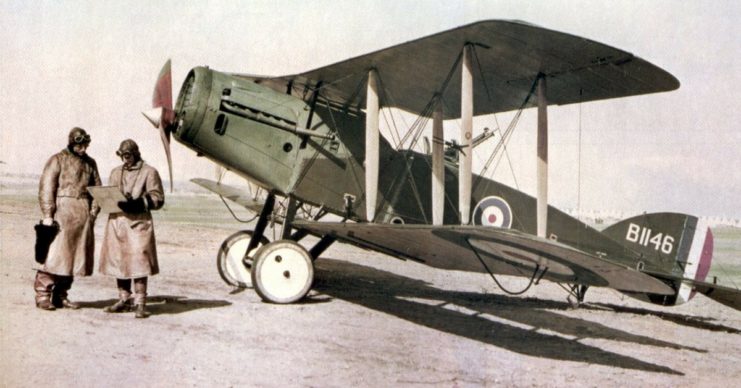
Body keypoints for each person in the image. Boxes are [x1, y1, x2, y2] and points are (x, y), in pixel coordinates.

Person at [34, 127, 101, 310]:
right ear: (72, 143)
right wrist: (48, 215)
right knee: (54, 256)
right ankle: (43, 295)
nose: (83, 149)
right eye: (80, 145)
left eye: (85, 145)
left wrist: (93, 214)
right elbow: (47, 188)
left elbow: (97, 190)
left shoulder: (90, 164)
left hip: (82, 216)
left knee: (73, 258)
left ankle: (61, 295)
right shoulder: (57, 160)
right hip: (61, 214)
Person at [99, 139, 165, 318]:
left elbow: (158, 198)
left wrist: (139, 204)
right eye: (122, 156)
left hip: (138, 224)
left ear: (136, 153)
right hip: (117, 223)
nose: (125, 159)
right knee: (119, 261)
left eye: (128, 155)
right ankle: (123, 299)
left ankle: (141, 303)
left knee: (139, 263)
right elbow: (109, 194)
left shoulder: (149, 172)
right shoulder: (115, 172)